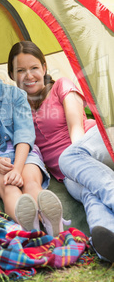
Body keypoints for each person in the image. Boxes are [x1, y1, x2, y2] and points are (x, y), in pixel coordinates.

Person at [8, 40, 114, 263]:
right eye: (21, 70)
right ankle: (106, 240)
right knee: (87, 195)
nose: (29, 75)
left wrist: (74, 160)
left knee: (70, 157)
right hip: (67, 174)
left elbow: (76, 128)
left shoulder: (61, 86)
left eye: (34, 68)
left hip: (93, 146)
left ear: (44, 68)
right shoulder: (17, 107)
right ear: (12, 75)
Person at [0, 41, 64, 237]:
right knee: (9, 187)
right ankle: (30, 226)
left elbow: (25, 133)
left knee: (30, 182)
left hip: (23, 152)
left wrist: (17, 168)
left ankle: (51, 221)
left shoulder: (16, 95)